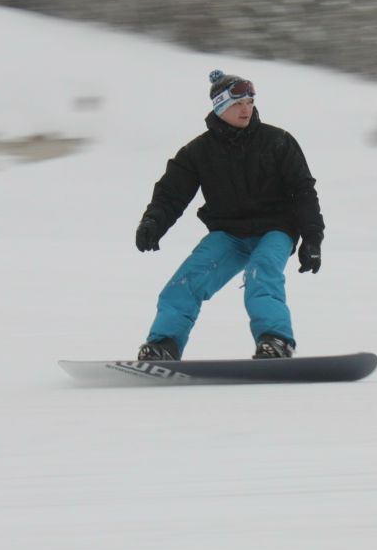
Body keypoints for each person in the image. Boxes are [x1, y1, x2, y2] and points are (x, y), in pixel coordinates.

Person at [134, 70, 325, 361]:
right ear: (220, 107)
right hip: (229, 234)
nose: (246, 108)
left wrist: (312, 239)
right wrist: (153, 221)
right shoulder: (197, 152)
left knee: (260, 274)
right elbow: (171, 193)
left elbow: (303, 191)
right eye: (237, 104)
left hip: (276, 229)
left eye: (249, 101)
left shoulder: (278, 141)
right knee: (186, 281)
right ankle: (164, 345)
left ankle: (276, 341)